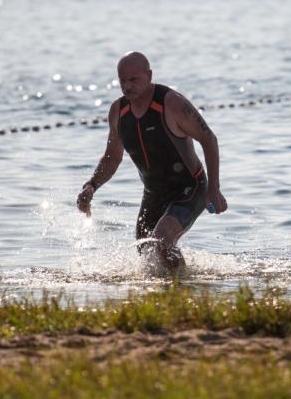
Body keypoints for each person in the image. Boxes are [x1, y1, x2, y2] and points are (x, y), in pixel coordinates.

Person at [77, 52, 227, 273]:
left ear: (149, 75)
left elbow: (209, 139)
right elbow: (112, 157)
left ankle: (184, 286)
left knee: (162, 240)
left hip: (190, 187)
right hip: (153, 193)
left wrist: (214, 188)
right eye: (122, 80)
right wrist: (91, 185)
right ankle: (182, 282)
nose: (127, 86)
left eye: (133, 79)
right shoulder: (118, 111)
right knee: (147, 253)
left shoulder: (171, 103)